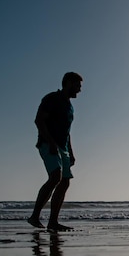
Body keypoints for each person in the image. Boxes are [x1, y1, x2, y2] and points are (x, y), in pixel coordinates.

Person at [28, 72, 83, 231]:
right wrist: (51, 142)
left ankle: (53, 222)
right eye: (78, 86)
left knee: (65, 181)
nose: (79, 90)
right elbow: (39, 120)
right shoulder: (52, 98)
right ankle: (34, 216)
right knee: (55, 177)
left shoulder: (70, 107)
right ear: (68, 83)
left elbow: (67, 132)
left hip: (63, 148)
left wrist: (70, 152)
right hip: (48, 143)